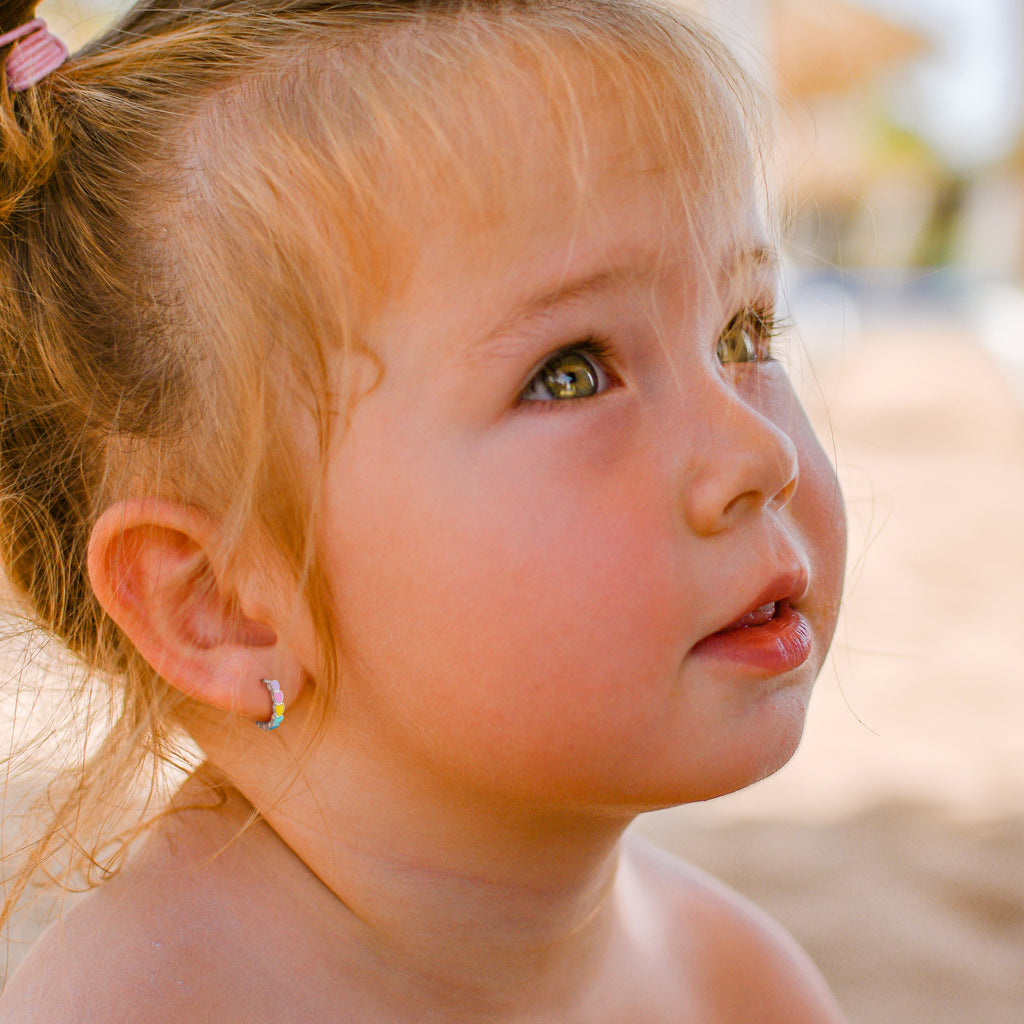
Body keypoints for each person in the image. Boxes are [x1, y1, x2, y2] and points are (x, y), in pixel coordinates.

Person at [0, 0, 848, 1020]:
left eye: (743, 332)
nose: (760, 454)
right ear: (222, 600)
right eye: (570, 374)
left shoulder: (730, 980)